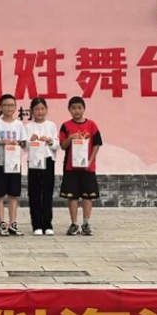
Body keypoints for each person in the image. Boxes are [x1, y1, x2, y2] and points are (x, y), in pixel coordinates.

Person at [58, 96, 103, 236]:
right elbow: (62, 146)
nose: (76, 111)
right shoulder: (66, 126)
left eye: (79, 108)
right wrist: (70, 138)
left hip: (87, 168)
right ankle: (74, 224)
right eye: (73, 108)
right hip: (71, 167)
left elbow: (97, 144)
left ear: (84, 109)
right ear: (69, 110)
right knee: (73, 196)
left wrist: (90, 161)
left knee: (87, 196)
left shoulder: (92, 125)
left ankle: (86, 223)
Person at [0, 94, 28, 236]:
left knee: (13, 194)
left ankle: (13, 223)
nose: (9, 108)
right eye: (6, 105)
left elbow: (24, 143)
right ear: (0, 107)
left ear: (16, 107)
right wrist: (1, 142)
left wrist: (17, 143)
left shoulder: (19, 124)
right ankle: (2, 224)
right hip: (0, 164)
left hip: (14, 164)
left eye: (12, 105)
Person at [25, 97, 60, 236]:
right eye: (36, 109)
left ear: (46, 110)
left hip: (48, 160)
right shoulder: (28, 127)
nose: (40, 112)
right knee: (34, 193)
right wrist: (30, 140)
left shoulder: (51, 125)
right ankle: (36, 225)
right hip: (33, 161)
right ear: (32, 111)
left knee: (47, 192)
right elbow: (24, 147)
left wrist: (49, 141)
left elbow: (56, 145)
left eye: (42, 109)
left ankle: (47, 224)